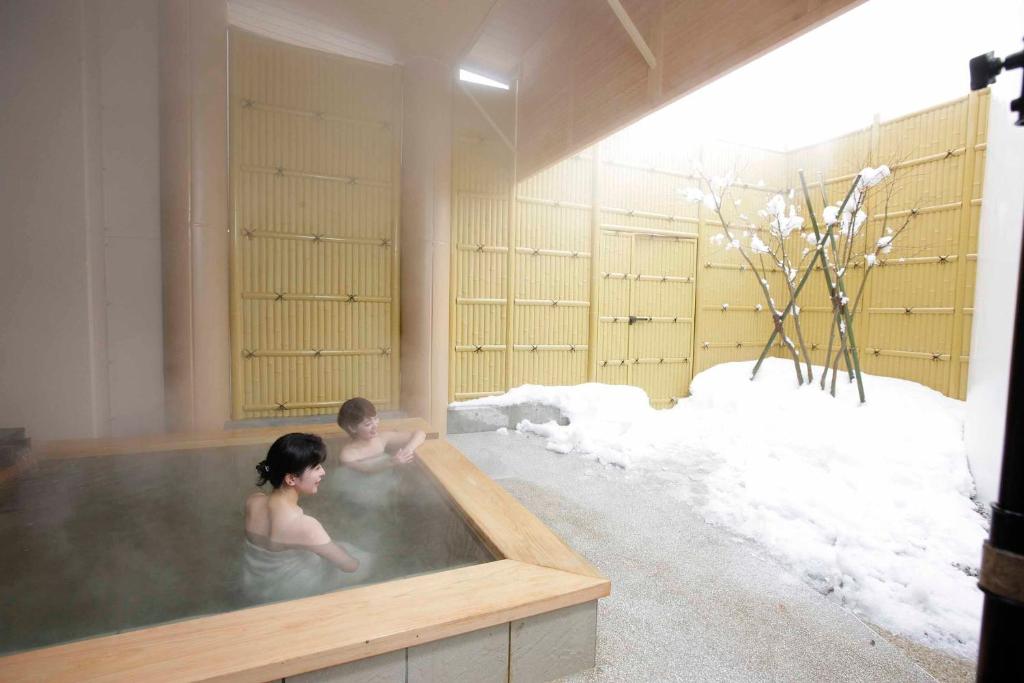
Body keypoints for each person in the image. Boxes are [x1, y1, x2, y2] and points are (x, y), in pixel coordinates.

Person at [242, 433, 373, 602]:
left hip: (254, 583)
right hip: (287, 591)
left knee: (338, 546)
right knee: (366, 561)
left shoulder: (253, 501)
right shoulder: (306, 526)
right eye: (316, 468)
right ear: (291, 479)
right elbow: (349, 566)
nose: (323, 472)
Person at [335, 397, 426, 472]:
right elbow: (367, 470)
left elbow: (420, 434)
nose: (375, 425)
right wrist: (392, 462)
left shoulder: (381, 438)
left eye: (375, 419)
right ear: (353, 428)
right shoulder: (348, 454)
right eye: (368, 424)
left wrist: (407, 450)